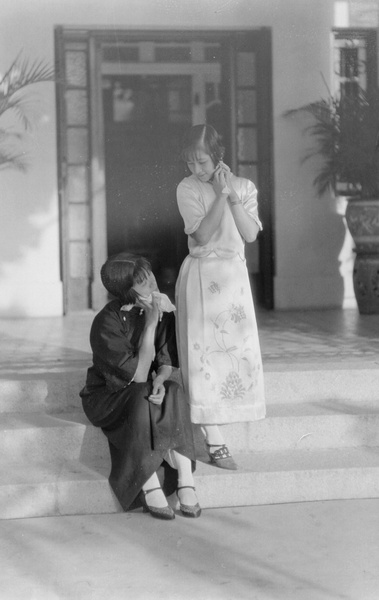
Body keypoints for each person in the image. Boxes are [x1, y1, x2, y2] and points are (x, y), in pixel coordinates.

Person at [80, 252, 201, 520]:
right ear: (125, 290)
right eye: (142, 282)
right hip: (109, 395)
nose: (152, 285)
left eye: (150, 276)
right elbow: (137, 376)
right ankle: (149, 485)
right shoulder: (106, 322)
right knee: (138, 395)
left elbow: (166, 362)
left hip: (144, 385)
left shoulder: (162, 309)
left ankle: (185, 481)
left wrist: (160, 380)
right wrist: (148, 325)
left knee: (174, 391)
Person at [175, 124, 266, 470]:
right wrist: (219, 193)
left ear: (218, 156)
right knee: (204, 358)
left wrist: (230, 193)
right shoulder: (187, 188)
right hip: (201, 277)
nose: (196, 170)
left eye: (202, 162)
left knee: (234, 356)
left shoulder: (244, 187)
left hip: (234, 280)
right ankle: (215, 441)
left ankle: (222, 424)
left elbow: (249, 233)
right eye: (191, 163)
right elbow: (201, 233)